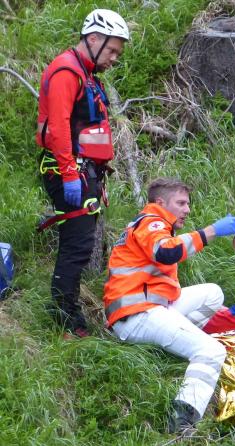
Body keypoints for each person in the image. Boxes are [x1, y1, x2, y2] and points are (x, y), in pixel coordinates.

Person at [102, 177, 235, 432]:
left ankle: (180, 337)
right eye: (181, 203)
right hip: (138, 316)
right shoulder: (152, 222)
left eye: (187, 204)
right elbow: (165, 252)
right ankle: (182, 421)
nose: (187, 210)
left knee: (213, 293)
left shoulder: (147, 224)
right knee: (211, 352)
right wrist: (210, 231)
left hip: (145, 309)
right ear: (160, 203)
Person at [36, 9, 130, 337]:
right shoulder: (67, 71)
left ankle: (67, 309)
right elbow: (60, 126)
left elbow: (88, 131)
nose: (114, 58)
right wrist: (70, 174)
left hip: (84, 171)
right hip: (68, 171)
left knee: (79, 243)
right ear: (93, 38)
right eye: (112, 50)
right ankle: (65, 316)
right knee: (76, 246)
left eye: (117, 52)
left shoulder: (86, 74)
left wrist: (96, 175)